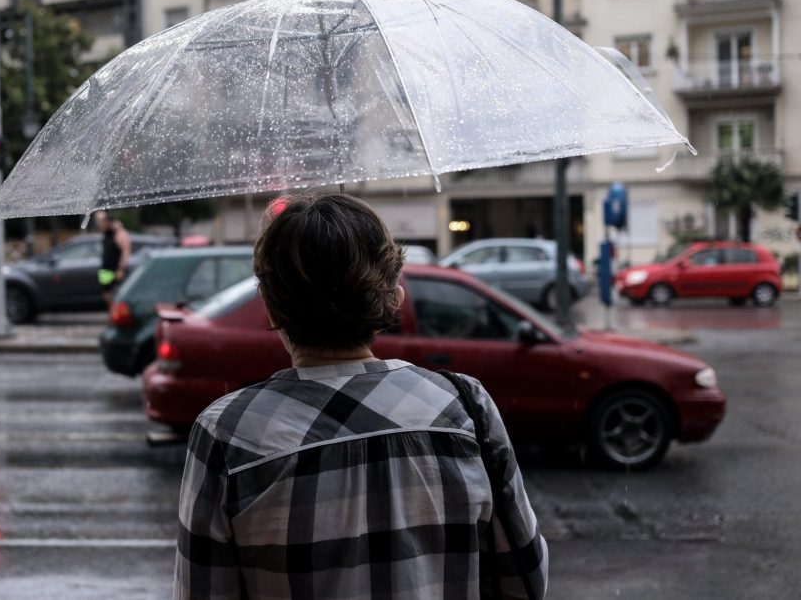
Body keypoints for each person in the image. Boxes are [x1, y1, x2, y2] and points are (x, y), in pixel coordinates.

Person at [174, 193, 547, 600]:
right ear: (394, 296)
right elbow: (525, 580)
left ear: (268, 305)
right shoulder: (464, 406)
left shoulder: (227, 434)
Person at [95, 210, 131, 304]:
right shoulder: (106, 233)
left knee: (116, 294)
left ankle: (116, 312)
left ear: (108, 220)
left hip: (115, 270)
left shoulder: (119, 233)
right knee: (106, 293)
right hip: (105, 270)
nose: (99, 223)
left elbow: (126, 251)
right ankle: (112, 311)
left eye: (101, 221)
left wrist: (121, 269)